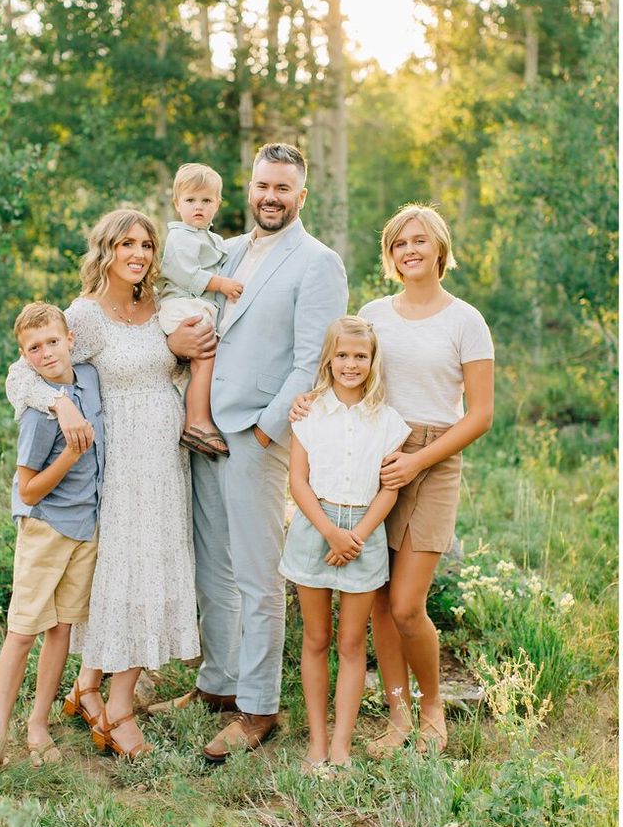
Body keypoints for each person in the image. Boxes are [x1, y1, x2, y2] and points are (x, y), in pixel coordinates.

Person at [157, 143, 348, 762]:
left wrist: (267, 432)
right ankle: (218, 683)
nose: (271, 197)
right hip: (203, 430)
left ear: (301, 195)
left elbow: (311, 362)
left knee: (258, 575)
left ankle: (259, 706)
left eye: (283, 189)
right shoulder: (226, 250)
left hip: (257, 437)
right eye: (263, 186)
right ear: (249, 188)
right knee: (212, 566)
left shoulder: (319, 264)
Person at [291, 203, 494, 755]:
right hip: (372, 460)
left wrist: (418, 462)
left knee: (406, 604)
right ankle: (397, 715)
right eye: (400, 243)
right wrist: (311, 401)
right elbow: (347, 369)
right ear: (390, 254)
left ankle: (433, 711)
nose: (410, 250)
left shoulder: (465, 320)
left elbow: (479, 415)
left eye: (420, 241)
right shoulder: (376, 311)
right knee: (376, 598)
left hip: (432, 457)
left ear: (440, 250)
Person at [6, 209, 199, 758]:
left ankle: (87, 686)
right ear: (106, 250)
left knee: (142, 569)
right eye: (126, 244)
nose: (137, 254)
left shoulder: (159, 307)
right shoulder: (86, 316)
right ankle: (118, 708)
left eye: (146, 244)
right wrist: (60, 403)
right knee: (124, 574)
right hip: (119, 468)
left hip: (163, 465)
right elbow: (21, 372)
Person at [0, 303, 104, 784]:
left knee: (60, 629)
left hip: (85, 526)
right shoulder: (38, 416)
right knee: (22, 632)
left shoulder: (88, 382)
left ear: (70, 341)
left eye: (52, 342)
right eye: (33, 348)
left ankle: (38, 726)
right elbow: (28, 488)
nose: (45, 353)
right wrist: (71, 454)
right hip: (46, 528)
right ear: (24, 356)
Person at [281, 316, 410, 774]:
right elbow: (297, 480)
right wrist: (330, 533)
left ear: (372, 361)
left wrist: (355, 536)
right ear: (329, 359)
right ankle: (316, 743)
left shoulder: (387, 420)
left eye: (360, 356)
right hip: (316, 526)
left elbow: (389, 488)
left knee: (353, 643)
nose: (350, 364)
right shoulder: (309, 411)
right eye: (342, 355)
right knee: (316, 639)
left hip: (364, 531)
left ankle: (341, 746)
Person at [157, 162, 244, 459]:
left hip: (192, 304)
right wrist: (221, 284)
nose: (198, 207)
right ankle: (197, 421)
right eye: (190, 200)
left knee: (203, 361)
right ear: (177, 203)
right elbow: (183, 273)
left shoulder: (210, 239)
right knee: (206, 356)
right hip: (180, 303)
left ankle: (193, 416)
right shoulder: (180, 237)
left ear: (217, 204)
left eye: (206, 201)